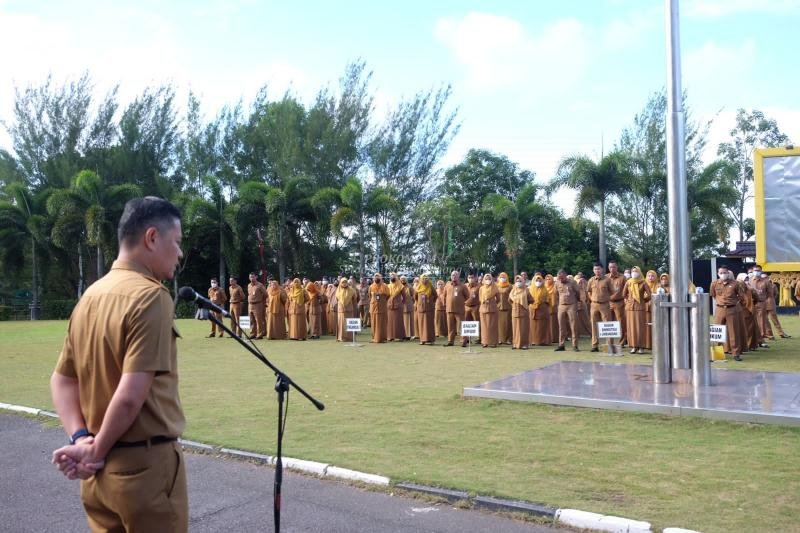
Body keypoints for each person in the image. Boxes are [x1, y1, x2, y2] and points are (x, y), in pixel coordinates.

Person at [50, 196, 188, 532]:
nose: (180, 253)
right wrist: (95, 449)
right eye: (177, 242)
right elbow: (130, 395)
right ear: (152, 238)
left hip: (98, 478)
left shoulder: (91, 297)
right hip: (143, 469)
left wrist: (81, 439)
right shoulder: (152, 296)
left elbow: (62, 380)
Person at [709, 266, 745, 360]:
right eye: (721, 273)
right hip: (720, 309)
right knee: (717, 332)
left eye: (725, 272)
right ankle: (716, 354)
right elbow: (713, 295)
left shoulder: (735, 284)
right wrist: (721, 302)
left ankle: (735, 354)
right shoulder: (714, 284)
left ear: (728, 273)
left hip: (732, 309)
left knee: (734, 332)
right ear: (718, 273)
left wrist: (733, 303)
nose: (723, 274)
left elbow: (741, 296)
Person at [622, 266, 651, 354]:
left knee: (640, 327)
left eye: (636, 271)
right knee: (631, 328)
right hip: (630, 308)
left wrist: (642, 300)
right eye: (632, 271)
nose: (634, 273)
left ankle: (641, 347)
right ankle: (634, 346)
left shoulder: (643, 282)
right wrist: (629, 300)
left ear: (639, 272)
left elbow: (649, 295)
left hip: (640, 308)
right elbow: (623, 294)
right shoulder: (629, 282)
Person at [586, 262, 613, 352]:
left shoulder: (607, 280)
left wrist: (607, 298)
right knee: (593, 325)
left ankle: (609, 345)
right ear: (593, 270)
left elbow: (612, 291)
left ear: (602, 269)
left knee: (607, 325)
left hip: (604, 304)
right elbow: (589, 291)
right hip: (594, 305)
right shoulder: (591, 280)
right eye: (595, 269)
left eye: (598, 269)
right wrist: (592, 299)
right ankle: (594, 345)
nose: (597, 271)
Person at [554, 269, 582, 351]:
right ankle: (561, 345)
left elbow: (577, 293)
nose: (560, 279)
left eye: (562, 277)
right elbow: (556, 295)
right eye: (559, 277)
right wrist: (558, 304)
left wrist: (577, 302)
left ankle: (575, 345)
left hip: (572, 305)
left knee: (574, 326)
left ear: (565, 275)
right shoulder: (557, 283)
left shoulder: (572, 282)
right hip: (561, 306)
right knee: (561, 326)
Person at [444, 270, 471, 347]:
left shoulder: (463, 286)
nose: (454, 277)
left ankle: (463, 341)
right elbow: (445, 296)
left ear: (458, 276)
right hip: (449, 310)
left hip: (459, 310)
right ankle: (450, 341)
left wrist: (461, 303)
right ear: (450, 276)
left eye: (455, 275)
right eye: (452, 275)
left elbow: (468, 297)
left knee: (462, 326)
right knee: (450, 326)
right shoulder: (447, 285)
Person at [606, 260, 627, 346]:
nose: (612, 269)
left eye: (614, 267)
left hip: (619, 303)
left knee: (621, 323)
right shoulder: (605, 277)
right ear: (608, 268)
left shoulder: (623, 277)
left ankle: (622, 342)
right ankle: (609, 343)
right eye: (610, 267)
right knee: (609, 323)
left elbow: (627, 290)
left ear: (617, 267)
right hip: (608, 303)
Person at [509, 275, 533, 349]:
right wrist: (515, 305)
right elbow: (509, 300)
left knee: (524, 329)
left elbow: (531, 300)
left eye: (520, 281)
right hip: (515, 312)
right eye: (517, 281)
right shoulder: (513, 291)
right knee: (515, 328)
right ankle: (515, 344)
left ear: (523, 282)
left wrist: (524, 304)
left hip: (523, 312)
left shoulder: (526, 290)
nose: (518, 283)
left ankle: (524, 344)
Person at [528, 274, 551, 346]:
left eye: (540, 280)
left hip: (542, 310)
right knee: (533, 326)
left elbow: (548, 300)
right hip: (532, 309)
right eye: (536, 280)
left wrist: (541, 303)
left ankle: (543, 341)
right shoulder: (530, 289)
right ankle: (533, 340)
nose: (538, 282)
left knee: (542, 326)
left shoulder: (545, 290)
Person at [414, 274, 437, 345]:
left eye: (426, 278)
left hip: (429, 309)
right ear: (421, 279)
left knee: (429, 325)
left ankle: (430, 340)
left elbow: (435, 296)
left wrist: (431, 303)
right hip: (421, 309)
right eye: (423, 278)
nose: (425, 280)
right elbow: (415, 297)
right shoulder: (418, 287)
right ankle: (422, 340)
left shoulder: (431, 287)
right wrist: (420, 304)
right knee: (421, 325)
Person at [478, 273, 499, 348]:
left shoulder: (495, 287)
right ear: (484, 280)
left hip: (492, 309)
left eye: (489, 279)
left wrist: (492, 303)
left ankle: (493, 342)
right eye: (486, 279)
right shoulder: (481, 288)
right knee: (484, 327)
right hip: (483, 309)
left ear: (492, 279)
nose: (488, 280)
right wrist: (484, 301)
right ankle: (485, 342)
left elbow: (498, 299)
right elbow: (480, 298)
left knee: (492, 326)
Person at [336, 276, 358, 341]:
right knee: (342, 324)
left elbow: (355, 298)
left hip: (349, 309)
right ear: (340, 283)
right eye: (343, 282)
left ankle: (350, 338)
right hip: (341, 310)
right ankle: (342, 337)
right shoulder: (338, 290)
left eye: (345, 282)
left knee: (349, 323)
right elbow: (337, 299)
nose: (344, 283)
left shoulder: (351, 290)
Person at [369, 273, 390, 343]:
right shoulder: (371, 286)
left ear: (381, 278)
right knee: (373, 323)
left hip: (382, 307)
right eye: (375, 276)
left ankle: (382, 338)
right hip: (373, 307)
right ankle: (374, 338)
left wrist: (382, 300)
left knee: (382, 323)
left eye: (378, 276)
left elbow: (388, 296)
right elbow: (370, 296)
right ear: (373, 278)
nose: (376, 278)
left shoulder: (385, 286)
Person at [387, 273, 407, 341]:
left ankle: (400, 336)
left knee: (398, 321)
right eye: (391, 276)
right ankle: (390, 336)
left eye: (394, 276)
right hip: (390, 306)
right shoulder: (388, 286)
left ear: (396, 277)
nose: (392, 277)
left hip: (398, 306)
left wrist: (401, 304)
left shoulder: (401, 286)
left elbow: (404, 297)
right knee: (390, 322)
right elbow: (386, 296)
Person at [247, 272, 267, 339]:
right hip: (250, 305)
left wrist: (261, 301)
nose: (251, 278)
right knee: (251, 320)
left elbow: (265, 294)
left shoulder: (260, 285)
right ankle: (253, 333)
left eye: (253, 277)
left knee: (258, 320)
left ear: (256, 277)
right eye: (250, 277)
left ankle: (260, 334)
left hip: (258, 304)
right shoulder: (249, 285)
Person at [644, 270, 659, 350]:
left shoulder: (658, 286)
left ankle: (655, 344)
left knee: (655, 326)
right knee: (646, 326)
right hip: (645, 309)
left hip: (655, 309)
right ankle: (646, 344)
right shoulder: (643, 285)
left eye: (652, 276)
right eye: (649, 276)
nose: (650, 278)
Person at [496, 272, 512, 345]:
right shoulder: (496, 286)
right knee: (499, 325)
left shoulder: (510, 286)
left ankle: (508, 339)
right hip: (499, 308)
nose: (502, 278)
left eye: (504, 277)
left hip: (508, 307)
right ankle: (500, 339)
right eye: (501, 277)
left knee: (508, 324)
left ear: (506, 278)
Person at [544, 274, 559, 344]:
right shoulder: (544, 287)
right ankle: (548, 338)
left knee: (554, 324)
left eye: (549, 279)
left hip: (554, 308)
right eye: (546, 279)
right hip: (546, 308)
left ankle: (554, 338)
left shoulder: (555, 287)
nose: (548, 281)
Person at [401, 275, 416, 340]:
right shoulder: (399, 287)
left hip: (408, 306)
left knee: (408, 321)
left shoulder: (409, 287)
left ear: (406, 280)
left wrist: (410, 301)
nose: (403, 281)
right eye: (401, 279)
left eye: (404, 279)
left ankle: (408, 335)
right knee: (402, 321)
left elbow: (414, 296)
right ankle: (402, 334)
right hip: (400, 306)